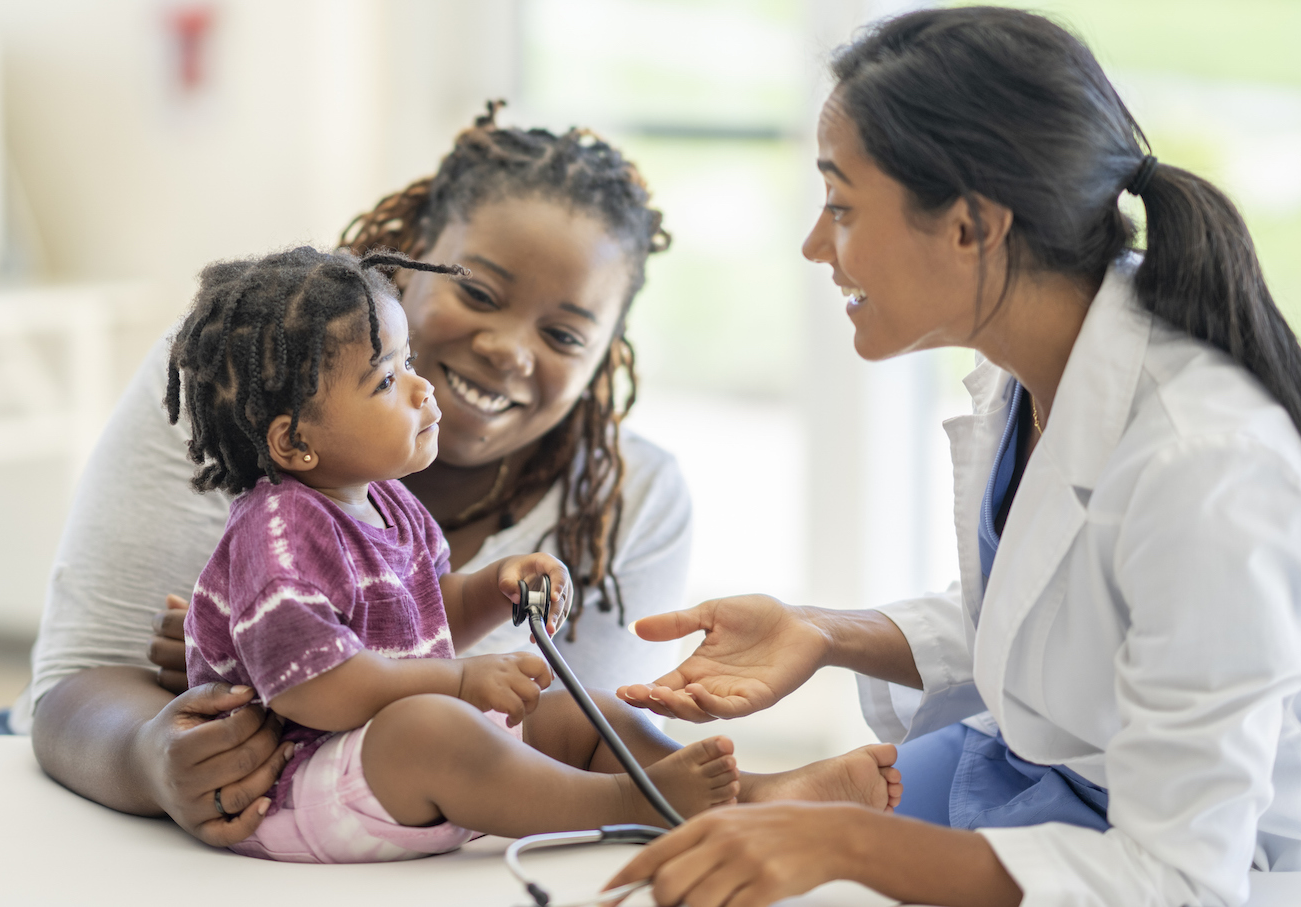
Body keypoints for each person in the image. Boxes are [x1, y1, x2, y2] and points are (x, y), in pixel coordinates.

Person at [609, 8, 1301, 907]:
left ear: (972, 227)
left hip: (1201, 866)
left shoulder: (1209, 469)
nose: (816, 245)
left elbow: (1180, 877)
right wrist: (825, 631)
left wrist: (849, 839)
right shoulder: (1031, 372)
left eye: (842, 205)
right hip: (1051, 776)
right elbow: (1059, 620)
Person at [14, 103, 696, 848]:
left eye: (564, 333)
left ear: (609, 357)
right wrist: (149, 753)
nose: (508, 349)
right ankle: (660, 805)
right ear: (407, 259)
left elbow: (549, 722)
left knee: (596, 721)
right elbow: (74, 682)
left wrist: (480, 600)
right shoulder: (234, 390)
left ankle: (758, 799)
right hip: (141, 813)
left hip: (417, 826)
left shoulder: (622, 500)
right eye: (477, 290)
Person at [169, 247, 899, 863]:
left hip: (383, 767)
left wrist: (494, 587)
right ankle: (633, 804)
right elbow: (314, 689)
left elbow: (429, 618)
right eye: (387, 380)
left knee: (587, 715)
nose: (421, 389)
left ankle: (756, 796)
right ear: (296, 441)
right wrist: (458, 683)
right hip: (299, 787)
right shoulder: (278, 529)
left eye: (407, 360)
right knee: (435, 726)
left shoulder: (387, 502)